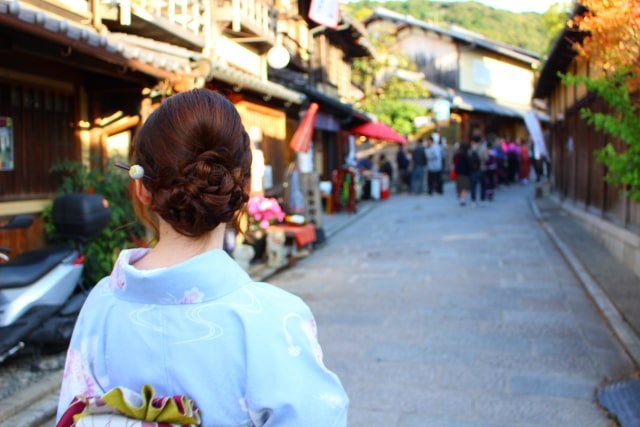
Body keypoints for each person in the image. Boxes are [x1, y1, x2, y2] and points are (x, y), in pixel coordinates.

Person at [55, 89, 349, 427]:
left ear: (142, 188)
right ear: (243, 186)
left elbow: (73, 413)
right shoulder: (273, 319)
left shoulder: (101, 306)